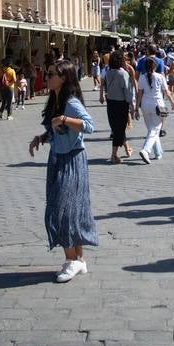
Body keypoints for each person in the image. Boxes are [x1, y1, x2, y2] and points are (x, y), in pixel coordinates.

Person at [28, 59, 98, 283]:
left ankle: (71, 262)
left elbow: (89, 125)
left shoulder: (71, 102)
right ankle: (79, 259)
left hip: (73, 160)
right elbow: (56, 129)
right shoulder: (56, 100)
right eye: (47, 74)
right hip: (58, 158)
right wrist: (42, 137)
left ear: (64, 78)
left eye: (50, 74)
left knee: (62, 211)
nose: (46, 77)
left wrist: (66, 118)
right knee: (71, 209)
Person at [136, 56, 174, 164]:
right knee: (155, 130)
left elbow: (139, 94)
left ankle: (158, 152)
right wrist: (172, 102)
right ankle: (146, 150)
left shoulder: (142, 77)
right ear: (155, 66)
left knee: (151, 130)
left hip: (145, 105)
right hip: (158, 105)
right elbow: (167, 92)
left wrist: (136, 108)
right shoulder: (160, 76)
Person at [100, 50, 132, 163]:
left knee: (116, 128)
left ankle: (127, 149)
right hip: (121, 104)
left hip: (110, 103)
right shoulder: (123, 74)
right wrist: (132, 106)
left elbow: (105, 86)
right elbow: (127, 91)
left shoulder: (108, 73)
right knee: (119, 129)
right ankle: (114, 155)